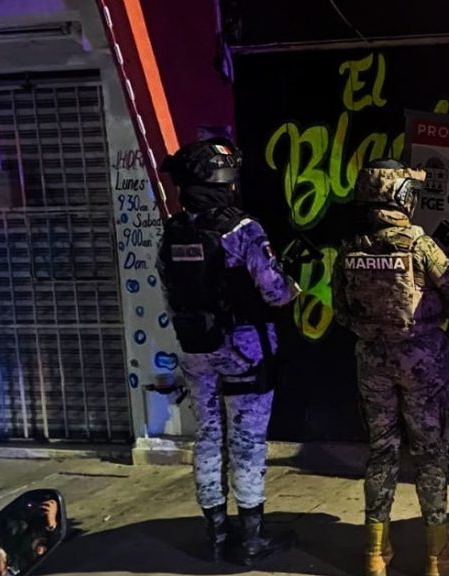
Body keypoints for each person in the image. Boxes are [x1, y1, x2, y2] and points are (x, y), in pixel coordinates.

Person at [158, 138, 301, 565]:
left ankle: (216, 536)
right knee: (247, 441)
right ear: (225, 180)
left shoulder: (173, 231)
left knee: (206, 437)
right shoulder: (243, 230)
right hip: (244, 350)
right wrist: (294, 284)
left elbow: (169, 293)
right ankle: (252, 538)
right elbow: (275, 293)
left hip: (196, 348)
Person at [332, 159, 449, 576]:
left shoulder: (348, 249)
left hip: (372, 363)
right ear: (402, 198)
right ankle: (437, 553)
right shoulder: (421, 245)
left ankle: (375, 554)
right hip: (423, 364)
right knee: (431, 455)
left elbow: (341, 313)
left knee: (381, 452)